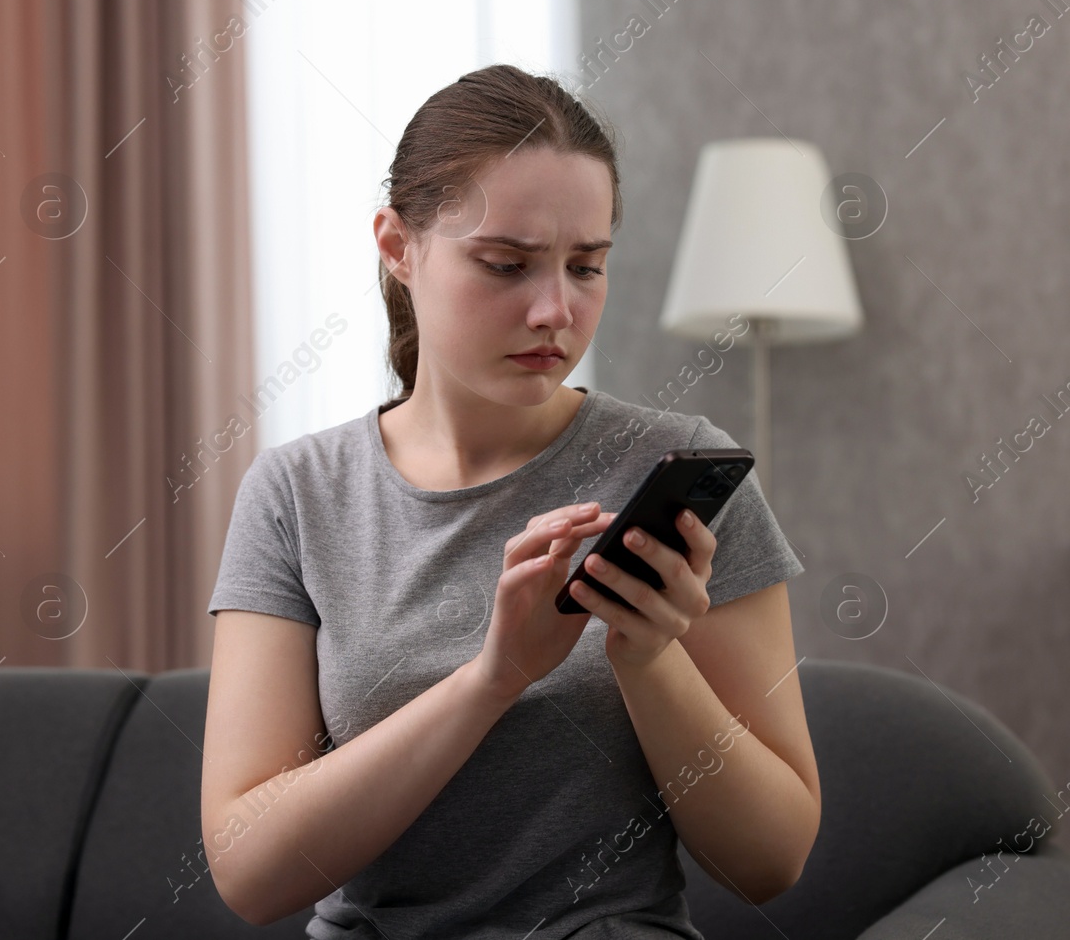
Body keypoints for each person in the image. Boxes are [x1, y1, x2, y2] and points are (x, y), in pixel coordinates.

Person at [200, 64, 819, 938]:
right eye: (506, 264)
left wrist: (648, 656)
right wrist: (492, 679)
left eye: (586, 266)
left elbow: (772, 859)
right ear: (397, 246)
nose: (554, 311)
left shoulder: (675, 470)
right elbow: (249, 872)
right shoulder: (297, 495)